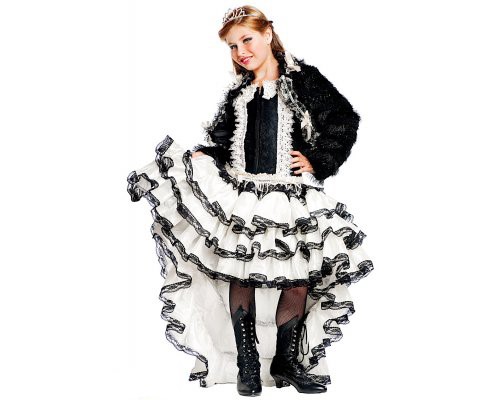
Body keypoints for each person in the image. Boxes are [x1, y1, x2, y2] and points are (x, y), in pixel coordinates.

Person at [126, 5, 374, 396]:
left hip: (290, 194)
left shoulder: (303, 80)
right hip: (244, 195)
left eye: (247, 40)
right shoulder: (238, 94)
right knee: (241, 272)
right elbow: (225, 144)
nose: (241, 51)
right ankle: (247, 364)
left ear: (267, 34)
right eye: (232, 46)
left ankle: (286, 361)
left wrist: (318, 159)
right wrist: (203, 157)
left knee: (297, 274)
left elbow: (344, 120)